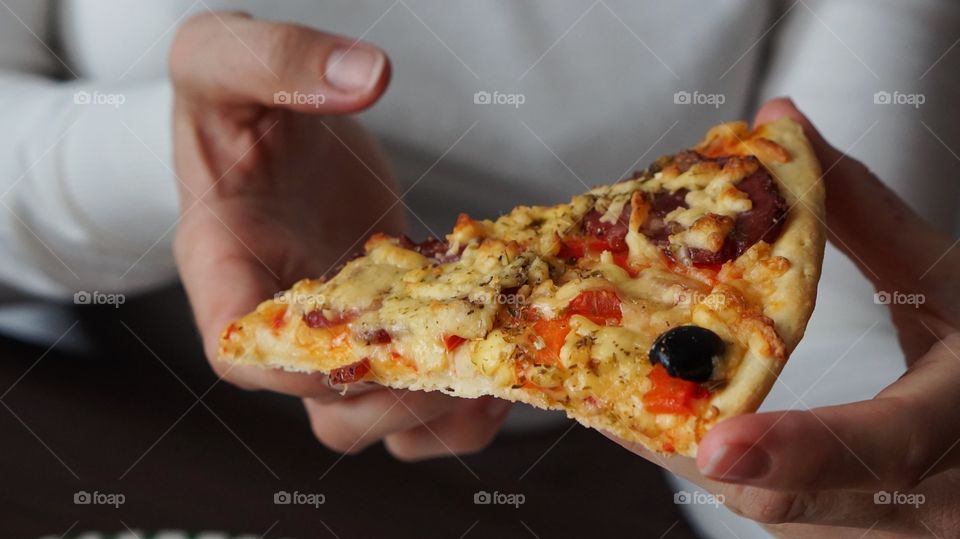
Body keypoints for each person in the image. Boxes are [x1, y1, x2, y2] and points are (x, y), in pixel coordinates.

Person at [1, 2, 957, 537]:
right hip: (111, 400)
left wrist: (854, 503)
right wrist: (165, 165)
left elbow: (826, 354)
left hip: (575, 487)